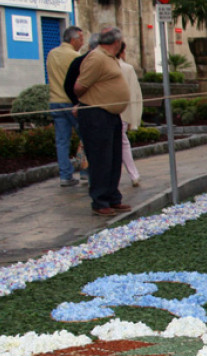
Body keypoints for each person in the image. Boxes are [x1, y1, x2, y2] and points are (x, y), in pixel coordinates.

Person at [73, 27, 129, 217]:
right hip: (96, 113)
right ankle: (100, 200)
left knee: (113, 158)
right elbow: (79, 86)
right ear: (117, 41)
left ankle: (113, 196)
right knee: (100, 159)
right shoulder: (96, 57)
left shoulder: (110, 58)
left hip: (111, 115)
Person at [46, 25, 85, 187]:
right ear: (73, 39)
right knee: (85, 138)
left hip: (55, 100)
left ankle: (65, 175)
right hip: (72, 102)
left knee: (62, 141)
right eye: (81, 39)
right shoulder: (75, 56)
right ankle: (86, 171)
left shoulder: (52, 54)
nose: (82, 42)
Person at [116, 42, 143, 187]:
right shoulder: (126, 68)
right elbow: (134, 94)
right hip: (122, 113)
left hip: (113, 113)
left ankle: (133, 174)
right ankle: (133, 174)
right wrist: (134, 117)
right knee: (123, 143)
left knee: (120, 143)